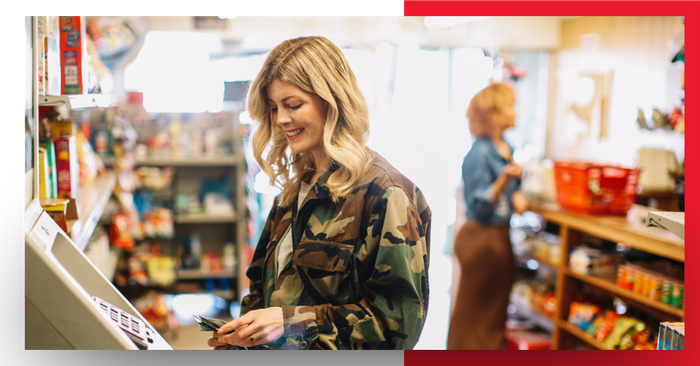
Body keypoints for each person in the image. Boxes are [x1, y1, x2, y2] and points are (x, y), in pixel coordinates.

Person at [207, 36, 431, 350]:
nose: (280, 119)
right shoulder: (295, 190)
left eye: (293, 105)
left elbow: (398, 326)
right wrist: (241, 336)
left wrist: (290, 323)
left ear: (332, 100)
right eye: (273, 108)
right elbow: (262, 289)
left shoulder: (384, 194)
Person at [447, 82, 528, 350]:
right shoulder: (479, 152)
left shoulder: (507, 147)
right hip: (481, 238)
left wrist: (514, 192)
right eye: (510, 107)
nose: (516, 112)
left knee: (494, 314)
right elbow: (478, 202)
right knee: (472, 315)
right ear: (492, 113)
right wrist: (504, 181)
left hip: (499, 237)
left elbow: (510, 195)